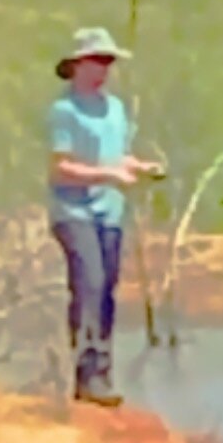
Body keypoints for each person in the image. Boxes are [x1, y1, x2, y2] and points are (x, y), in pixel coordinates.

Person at [47, 26, 164, 405]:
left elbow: (116, 157)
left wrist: (140, 167)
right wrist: (109, 176)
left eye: (109, 61)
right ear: (78, 65)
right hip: (73, 210)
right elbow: (60, 168)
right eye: (98, 60)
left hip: (109, 212)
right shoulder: (63, 112)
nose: (105, 68)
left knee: (108, 290)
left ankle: (102, 372)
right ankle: (86, 373)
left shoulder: (115, 109)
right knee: (89, 284)